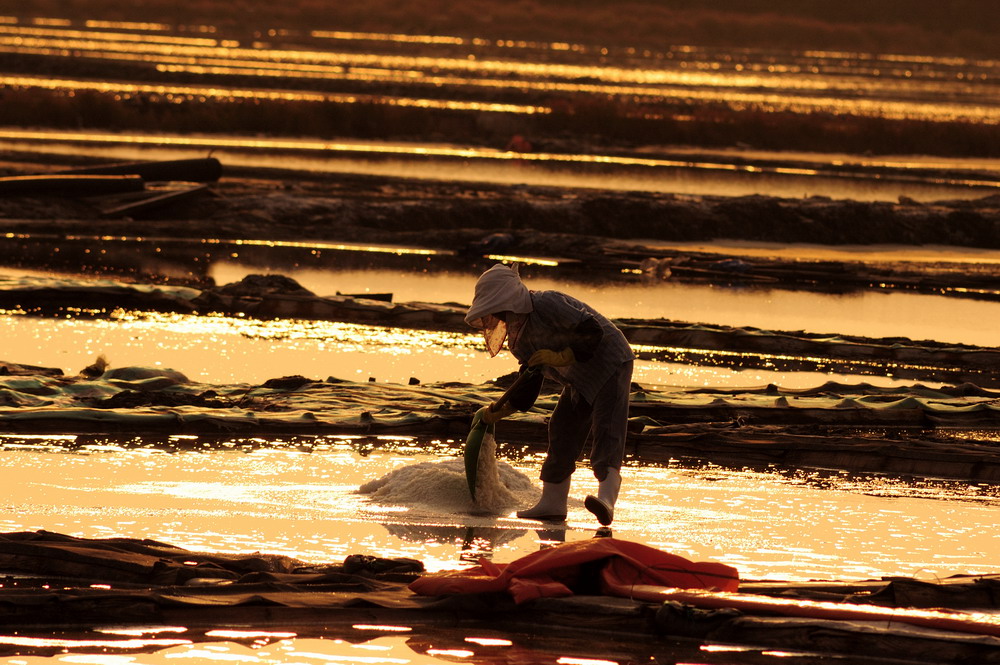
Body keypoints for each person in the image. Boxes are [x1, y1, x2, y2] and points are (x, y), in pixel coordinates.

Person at [465, 264, 634, 525]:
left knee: (607, 427)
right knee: (562, 427)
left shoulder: (547, 303)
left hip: (610, 361)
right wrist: (505, 408)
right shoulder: (518, 340)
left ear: (509, 299)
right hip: (579, 377)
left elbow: (592, 330)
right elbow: (530, 379)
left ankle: (606, 499)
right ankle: (552, 503)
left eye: (497, 309)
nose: (497, 317)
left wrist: (563, 355)